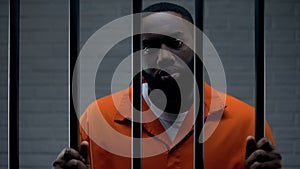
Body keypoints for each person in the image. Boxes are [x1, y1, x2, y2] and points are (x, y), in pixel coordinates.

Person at [53, 2, 282, 169]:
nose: (162, 56)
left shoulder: (248, 124)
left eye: (175, 43)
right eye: (149, 45)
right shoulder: (96, 121)